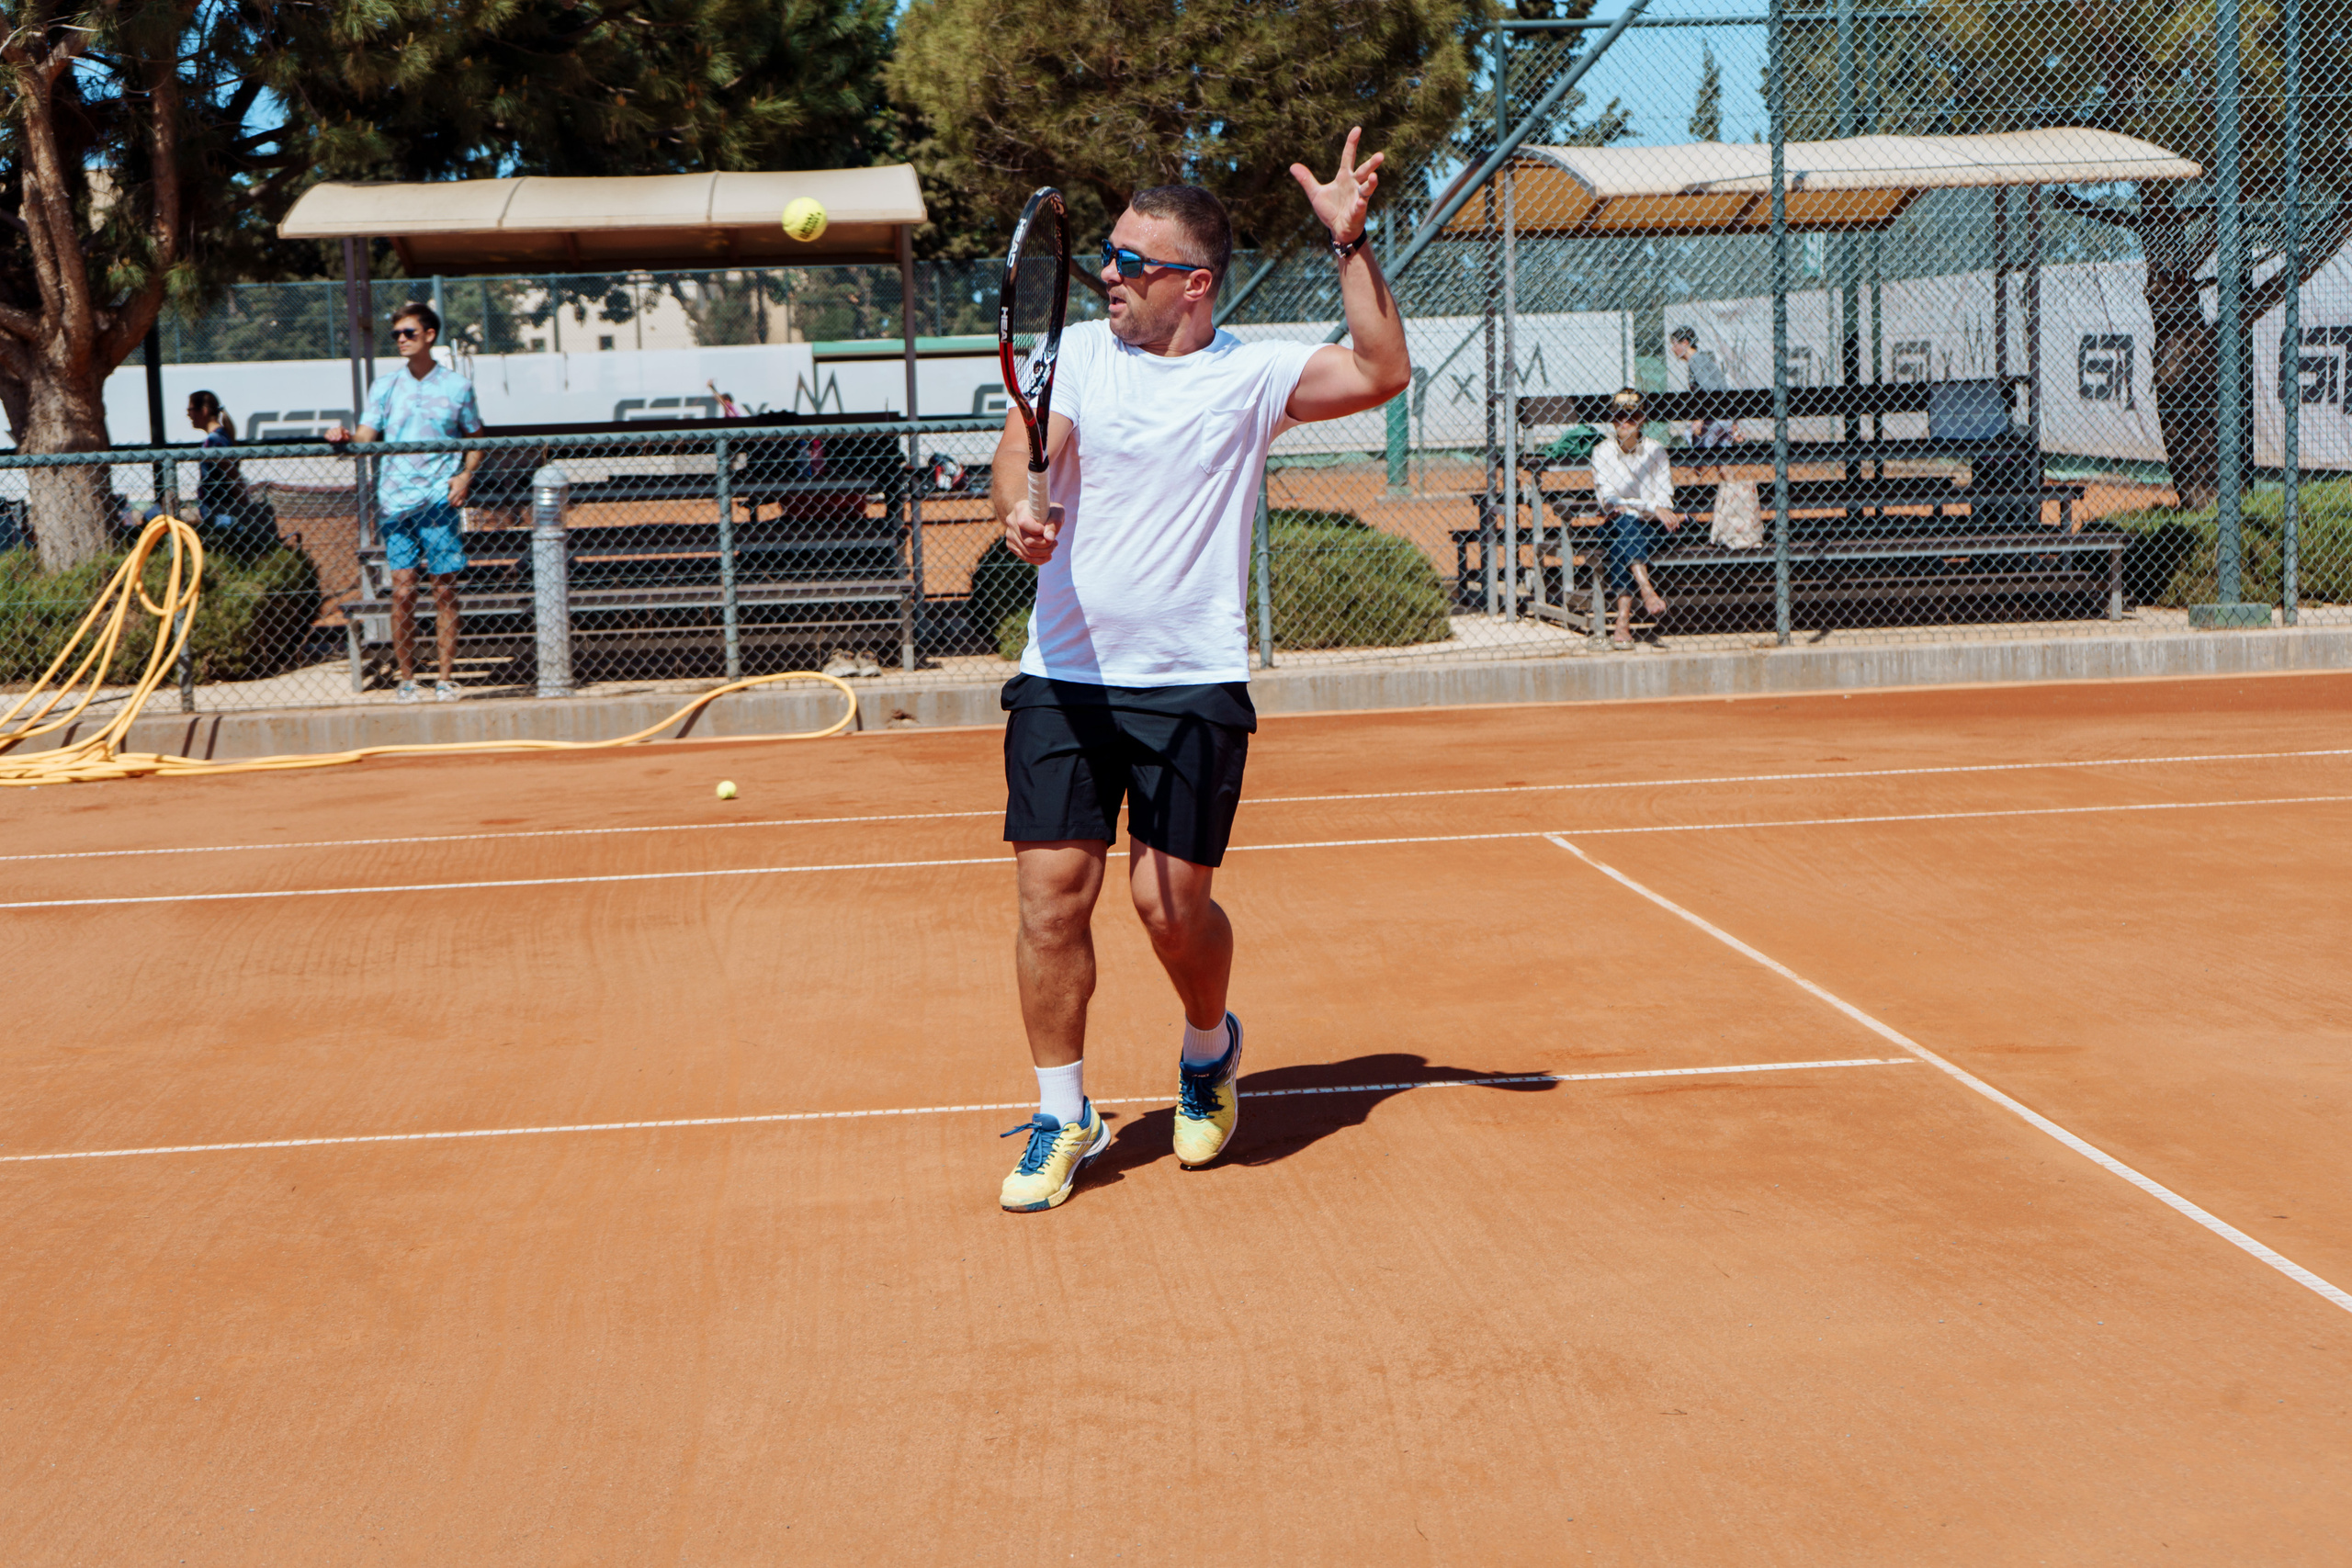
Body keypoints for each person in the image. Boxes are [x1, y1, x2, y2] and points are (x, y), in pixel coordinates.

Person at [989, 130, 1409, 1213]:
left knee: (1168, 905)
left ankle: (1207, 1047)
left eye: (1133, 263)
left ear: (1195, 283)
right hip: (1065, 675)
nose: (1111, 277)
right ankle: (1061, 1109)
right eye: (1109, 259)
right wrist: (1017, 510)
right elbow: (1022, 445)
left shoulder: (1253, 373)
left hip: (1190, 679)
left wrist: (1350, 245)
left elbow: (1380, 370)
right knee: (1050, 900)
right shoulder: (1082, 353)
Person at [325, 303, 485, 703]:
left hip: (439, 502)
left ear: (429, 336)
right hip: (396, 503)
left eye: (408, 333)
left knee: (445, 589)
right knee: (402, 592)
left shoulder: (457, 387)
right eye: (396, 334)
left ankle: (445, 679)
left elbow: (476, 439)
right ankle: (407, 679)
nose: (400, 339)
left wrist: (465, 475)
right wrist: (345, 438)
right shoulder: (384, 387)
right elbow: (366, 439)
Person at [1591, 388, 1683, 651]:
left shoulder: (1656, 451)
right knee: (1624, 525)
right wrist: (1650, 506)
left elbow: (1666, 499)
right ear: (1611, 419)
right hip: (1618, 524)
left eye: (1631, 416)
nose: (1624, 422)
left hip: (1652, 530)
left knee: (1625, 531)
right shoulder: (1602, 452)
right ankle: (1645, 589)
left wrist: (1649, 509)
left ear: (1643, 419)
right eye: (1619, 416)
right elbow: (1609, 501)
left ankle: (1623, 624)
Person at [1669, 326, 1738, 453]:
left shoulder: (1696, 361)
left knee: (1698, 455)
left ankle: (1700, 471)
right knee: (1722, 461)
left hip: (1714, 418)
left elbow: (1708, 391)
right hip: (1725, 416)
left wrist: (1699, 419)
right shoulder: (1703, 359)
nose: (1673, 349)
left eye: (1674, 344)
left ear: (1685, 343)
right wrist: (1734, 421)